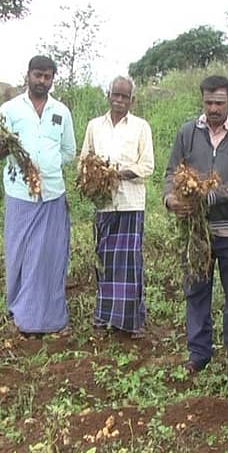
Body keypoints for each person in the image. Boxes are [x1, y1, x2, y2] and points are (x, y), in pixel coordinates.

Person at [163, 75, 228, 376]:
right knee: (196, 291)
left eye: (219, 102)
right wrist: (170, 199)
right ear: (202, 101)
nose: (213, 108)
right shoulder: (188, 132)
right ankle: (199, 354)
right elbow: (170, 172)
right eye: (208, 102)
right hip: (195, 232)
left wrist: (211, 197)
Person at [0, 55, 75, 336]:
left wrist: (45, 168)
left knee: (50, 255)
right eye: (37, 75)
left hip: (52, 193)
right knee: (20, 254)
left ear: (53, 79)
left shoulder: (60, 111)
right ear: (27, 75)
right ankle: (20, 313)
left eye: (47, 76)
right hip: (20, 193)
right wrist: (5, 147)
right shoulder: (10, 109)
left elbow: (68, 152)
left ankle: (51, 317)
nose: (42, 81)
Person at [80, 76, 155, 339]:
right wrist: (93, 180)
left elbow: (147, 166)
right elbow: (84, 160)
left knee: (130, 262)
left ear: (132, 100)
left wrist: (118, 174)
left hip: (130, 203)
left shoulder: (140, 127)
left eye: (125, 96)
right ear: (108, 95)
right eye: (116, 95)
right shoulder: (94, 126)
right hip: (104, 205)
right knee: (104, 261)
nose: (119, 100)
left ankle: (132, 322)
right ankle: (102, 317)